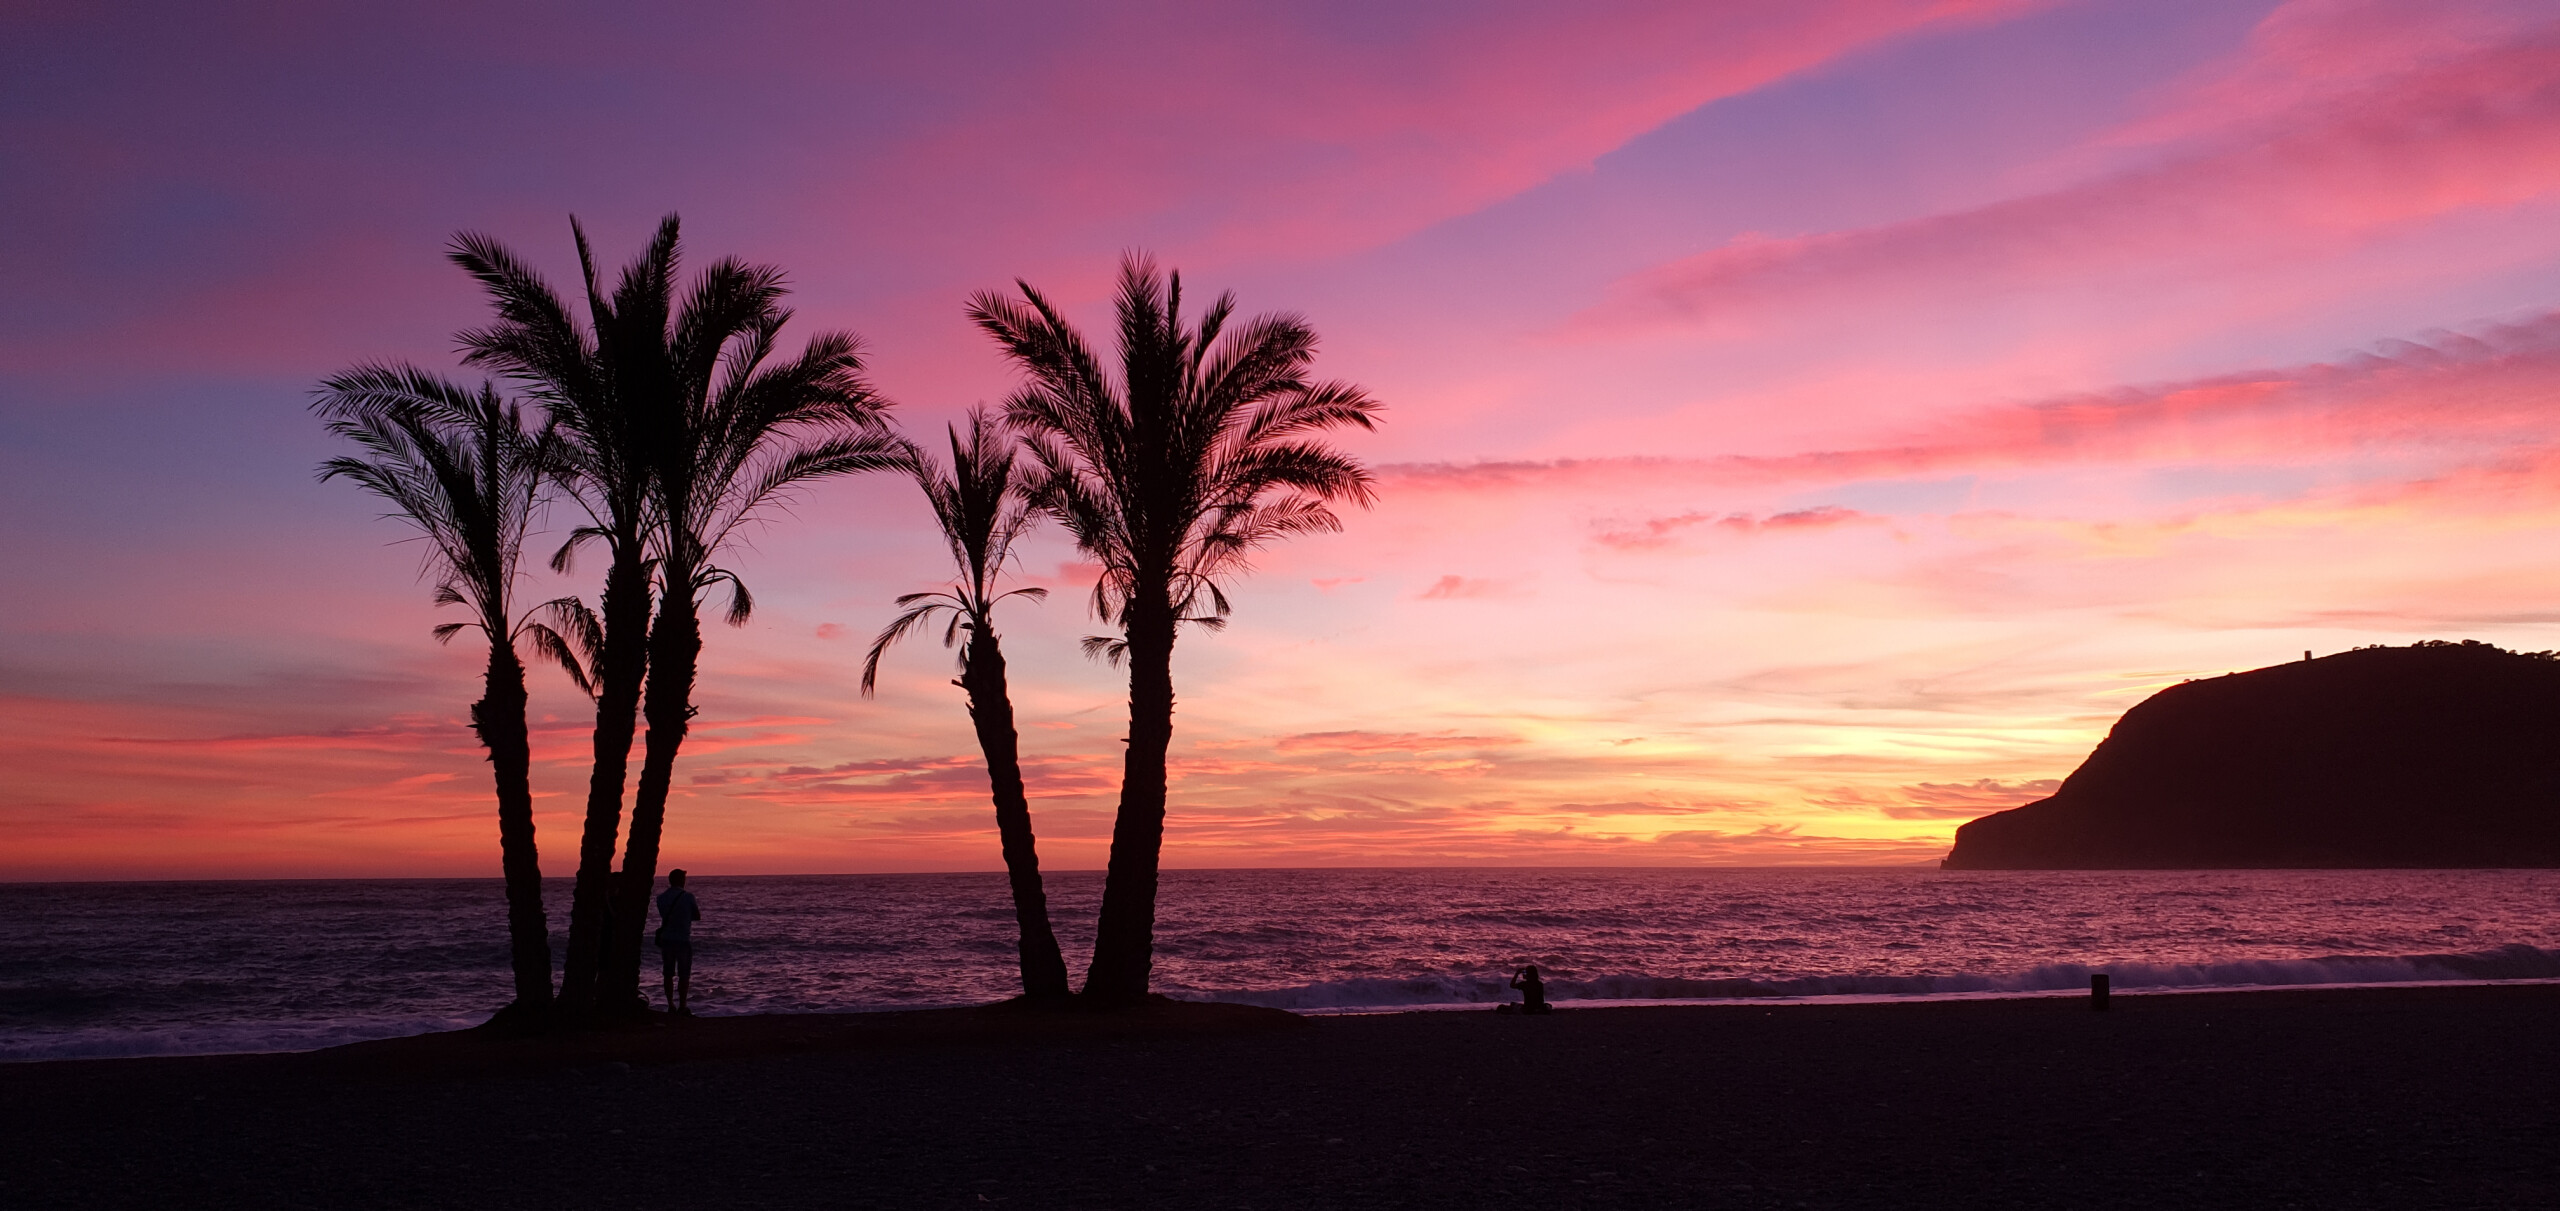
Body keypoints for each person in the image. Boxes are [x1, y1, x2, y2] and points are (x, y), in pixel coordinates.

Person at [654, 869, 702, 1016]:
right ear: (682, 880)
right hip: (682, 939)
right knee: (684, 974)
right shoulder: (688, 897)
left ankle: (670, 1005)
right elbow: (697, 916)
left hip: (667, 938)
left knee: (667, 973)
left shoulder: (661, 898)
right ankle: (683, 1005)